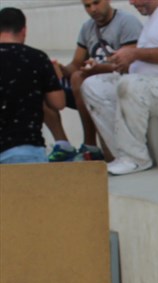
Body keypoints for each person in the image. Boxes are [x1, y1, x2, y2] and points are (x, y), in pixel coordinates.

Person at [81, 0, 158, 175]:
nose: (131, 2)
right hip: (153, 84)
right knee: (94, 86)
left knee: (129, 85)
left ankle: (136, 159)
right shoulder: (156, 14)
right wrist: (125, 62)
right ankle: (121, 155)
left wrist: (135, 54)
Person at [43, 0, 143, 162]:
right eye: (87, 6)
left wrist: (97, 69)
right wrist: (58, 69)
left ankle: (90, 145)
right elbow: (75, 65)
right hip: (91, 82)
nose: (93, 9)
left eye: (96, 3)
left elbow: (131, 64)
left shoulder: (127, 22)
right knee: (40, 86)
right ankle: (63, 145)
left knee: (78, 78)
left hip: (120, 83)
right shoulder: (87, 27)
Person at [0, 7, 64, 164]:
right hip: (26, 150)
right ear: (24, 30)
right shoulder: (38, 58)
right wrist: (56, 78)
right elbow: (58, 103)